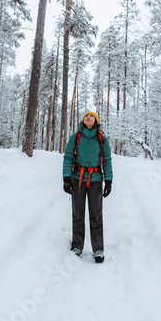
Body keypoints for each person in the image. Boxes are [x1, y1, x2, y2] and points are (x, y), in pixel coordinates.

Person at [62, 111, 113, 263]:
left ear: (96, 121)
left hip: (96, 180)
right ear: (83, 120)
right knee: (78, 212)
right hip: (77, 179)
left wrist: (108, 181)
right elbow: (68, 157)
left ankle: (98, 249)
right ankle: (77, 245)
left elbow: (107, 161)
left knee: (96, 214)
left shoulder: (102, 139)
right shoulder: (75, 137)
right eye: (86, 116)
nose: (88, 117)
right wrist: (66, 178)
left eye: (91, 116)